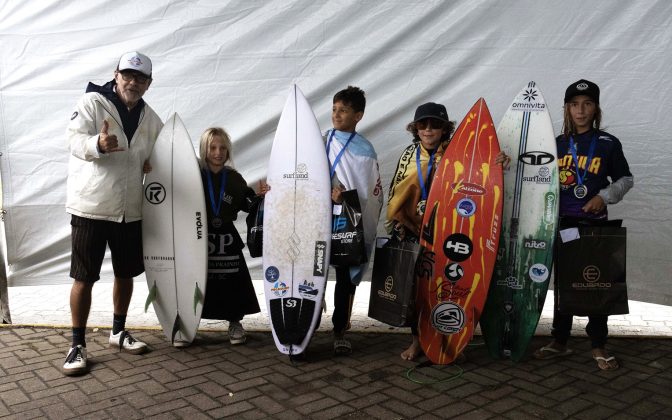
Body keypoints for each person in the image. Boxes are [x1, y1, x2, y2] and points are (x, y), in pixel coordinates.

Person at [63, 51, 164, 375]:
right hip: (91, 208)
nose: (133, 82)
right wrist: (97, 145)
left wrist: (152, 163)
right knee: (84, 277)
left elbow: (160, 155)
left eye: (141, 78)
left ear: (148, 84)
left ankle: (118, 332)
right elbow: (73, 139)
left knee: (126, 274)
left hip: (129, 211)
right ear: (116, 74)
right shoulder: (93, 102)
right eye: (128, 75)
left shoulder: (151, 118)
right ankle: (77, 344)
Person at [387, 102, 510, 361]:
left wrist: (499, 161)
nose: (429, 130)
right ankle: (418, 341)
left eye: (435, 125)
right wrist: (399, 223)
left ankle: (449, 338)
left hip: (450, 233)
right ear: (415, 129)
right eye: (423, 125)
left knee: (450, 286)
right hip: (414, 231)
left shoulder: (462, 154)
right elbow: (396, 194)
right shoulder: (409, 156)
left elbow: (483, 175)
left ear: (445, 129)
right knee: (416, 291)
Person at [533, 79, 633, 370]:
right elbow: (536, 176)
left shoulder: (607, 144)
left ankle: (598, 345)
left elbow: (626, 179)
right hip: (562, 224)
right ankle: (559, 341)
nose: (580, 110)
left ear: (596, 108)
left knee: (596, 283)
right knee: (564, 282)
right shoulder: (556, 144)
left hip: (593, 224)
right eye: (574, 104)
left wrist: (604, 196)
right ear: (567, 108)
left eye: (587, 104)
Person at [196, 127, 268, 346]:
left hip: (227, 239)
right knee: (197, 280)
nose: (218, 152)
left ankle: (235, 322)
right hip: (198, 238)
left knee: (234, 283)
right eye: (213, 147)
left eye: (223, 148)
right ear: (204, 149)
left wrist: (260, 197)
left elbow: (247, 204)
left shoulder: (234, 178)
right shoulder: (193, 174)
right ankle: (188, 323)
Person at [327, 86, 384, 355]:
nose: (337, 115)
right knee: (311, 274)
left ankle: (340, 329)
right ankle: (306, 323)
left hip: (347, 223)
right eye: (334, 109)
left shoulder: (365, 150)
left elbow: (371, 195)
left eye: (344, 111)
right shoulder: (320, 140)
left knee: (344, 278)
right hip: (319, 218)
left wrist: (344, 199)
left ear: (358, 115)